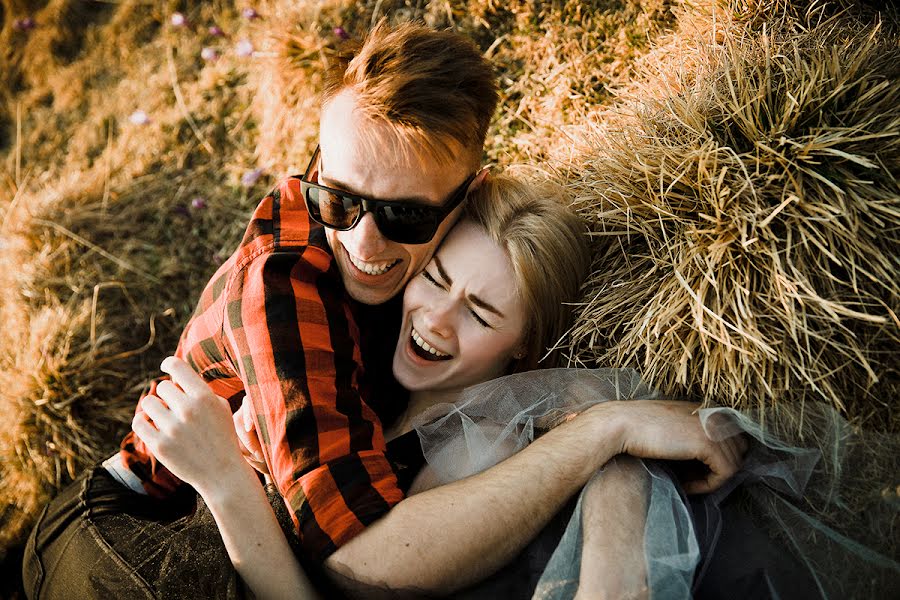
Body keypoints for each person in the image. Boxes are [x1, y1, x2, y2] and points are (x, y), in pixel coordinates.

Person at [21, 20, 770, 600]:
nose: (364, 243)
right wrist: (605, 429)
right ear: (317, 167)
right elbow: (368, 564)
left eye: (407, 218)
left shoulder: (473, 283)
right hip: (138, 530)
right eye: (338, 200)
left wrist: (602, 429)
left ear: (467, 192)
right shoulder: (281, 294)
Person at [129, 175, 754, 599]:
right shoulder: (370, 373)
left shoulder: (477, 447)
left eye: (479, 313)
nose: (434, 319)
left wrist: (225, 482)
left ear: (523, 351)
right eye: (436, 278)